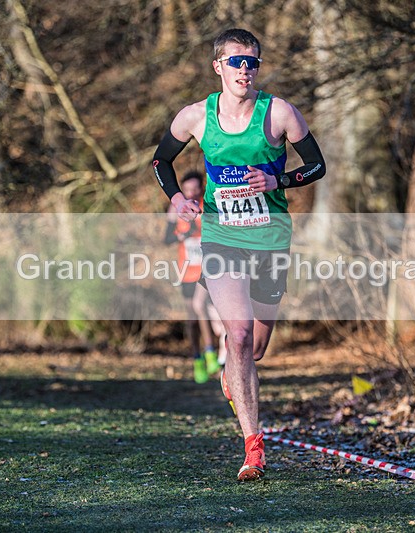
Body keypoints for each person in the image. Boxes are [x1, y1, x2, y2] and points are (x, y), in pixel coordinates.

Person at [152, 28, 326, 481]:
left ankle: (234, 375)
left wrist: (279, 181)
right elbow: (160, 161)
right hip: (222, 239)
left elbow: (317, 165)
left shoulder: (280, 114)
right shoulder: (195, 117)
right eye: (236, 62)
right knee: (241, 335)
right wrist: (176, 198)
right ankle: (254, 447)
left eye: (251, 62)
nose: (244, 70)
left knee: (257, 347)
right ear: (218, 67)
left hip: (270, 239)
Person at [163, 170, 225, 383]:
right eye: (186, 189)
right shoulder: (175, 209)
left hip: (206, 268)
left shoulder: (207, 205)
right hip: (186, 269)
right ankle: (197, 358)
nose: (190, 192)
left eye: (194, 189)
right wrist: (183, 235)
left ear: (201, 188)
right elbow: (167, 239)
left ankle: (210, 353)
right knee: (192, 320)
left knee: (200, 306)